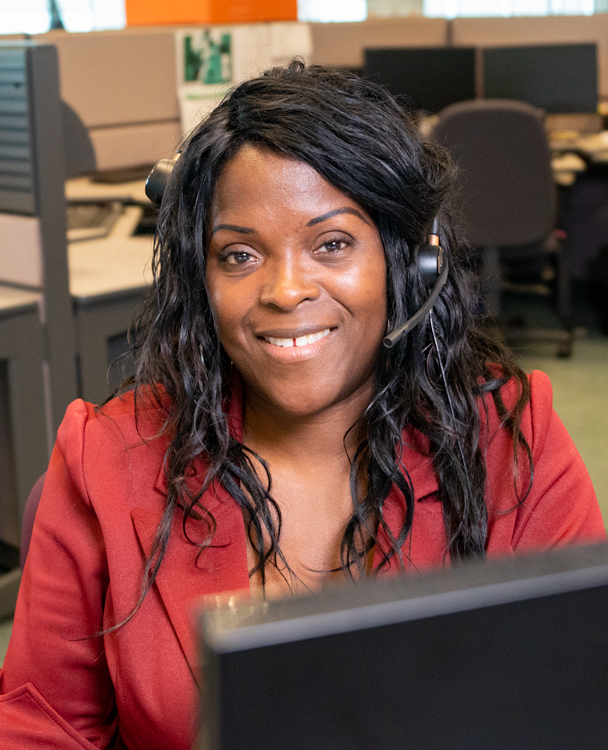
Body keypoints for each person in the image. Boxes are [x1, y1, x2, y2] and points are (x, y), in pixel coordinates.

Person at [0, 61, 604, 750]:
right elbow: (38, 727)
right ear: (204, 281)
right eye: (240, 255)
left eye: (333, 243)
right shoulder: (104, 458)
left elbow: (572, 703)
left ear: (411, 263)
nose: (287, 290)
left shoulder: (506, 439)